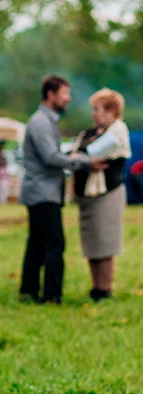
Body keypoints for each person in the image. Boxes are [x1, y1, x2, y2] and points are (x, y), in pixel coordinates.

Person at [19, 75, 105, 304]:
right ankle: (52, 296)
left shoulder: (45, 121)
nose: (68, 98)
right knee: (55, 243)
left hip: (41, 191)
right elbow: (50, 157)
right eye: (65, 93)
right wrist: (85, 162)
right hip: (43, 192)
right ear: (51, 94)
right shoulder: (41, 122)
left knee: (37, 243)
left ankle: (28, 291)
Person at [72, 89, 130, 301]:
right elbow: (75, 154)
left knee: (105, 242)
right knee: (92, 243)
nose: (93, 113)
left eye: (97, 109)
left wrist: (79, 158)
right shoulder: (88, 132)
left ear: (110, 111)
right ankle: (95, 285)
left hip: (107, 195)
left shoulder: (117, 131)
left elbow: (91, 153)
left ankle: (104, 289)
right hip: (87, 197)